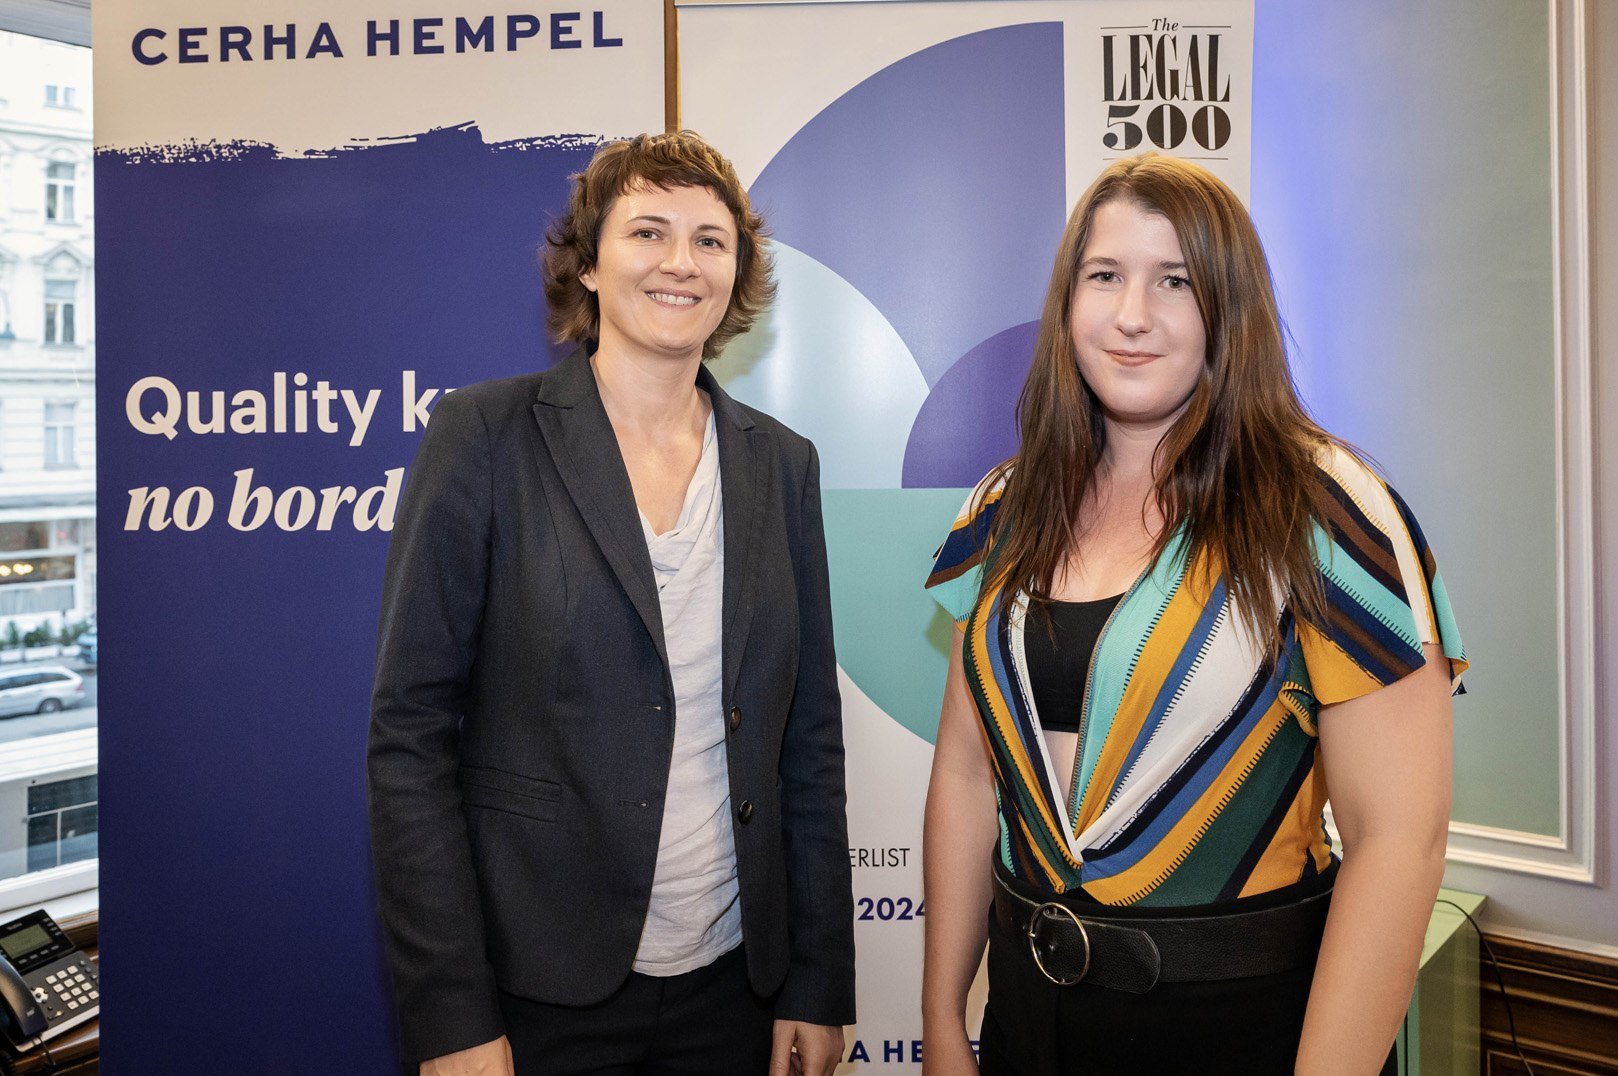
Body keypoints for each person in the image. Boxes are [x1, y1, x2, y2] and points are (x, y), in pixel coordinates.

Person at [920, 153, 1466, 1076]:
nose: (1132, 315)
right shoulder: (1003, 507)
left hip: (1238, 1025)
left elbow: (1399, 844)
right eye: (1105, 276)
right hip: (1024, 1017)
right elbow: (968, 776)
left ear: (1229, 306)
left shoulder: (1333, 516)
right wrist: (941, 1016)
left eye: (1174, 280)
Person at [368, 131, 855, 1076]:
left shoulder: (780, 463)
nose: (682, 262)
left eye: (710, 240)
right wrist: (452, 1015)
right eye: (648, 232)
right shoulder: (484, 436)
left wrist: (818, 979)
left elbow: (808, 738)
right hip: (536, 991)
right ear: (588, 265)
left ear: (736, 276)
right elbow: (409, 739)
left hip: (736, 990)